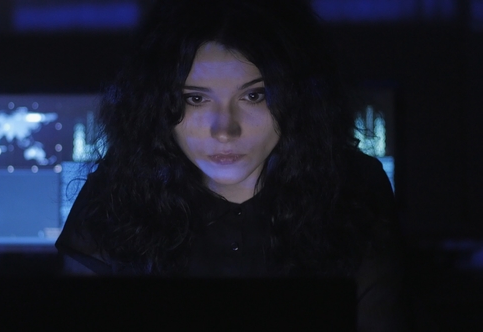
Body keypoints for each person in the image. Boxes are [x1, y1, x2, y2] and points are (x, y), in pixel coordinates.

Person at [56, 0, 410, 330]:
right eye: (196, 99)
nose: (224, 130)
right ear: (159, 106)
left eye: (253, 96)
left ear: (295, 99)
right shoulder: (117, 194)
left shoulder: (352, 187)